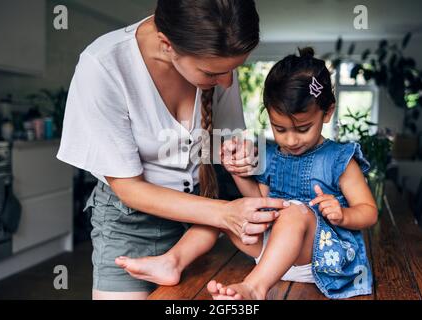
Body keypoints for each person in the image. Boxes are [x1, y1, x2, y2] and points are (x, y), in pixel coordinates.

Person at [57, 0, 288, 300]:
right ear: (167, 44)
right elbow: (129, 188)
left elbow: (224, 143)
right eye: (212, 74)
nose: (227, 82)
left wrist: (239, 155)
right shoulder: (103, 66)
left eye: (232, 70)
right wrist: (223, 213)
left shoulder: (218, 64)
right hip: (131, 221)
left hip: (201, 220)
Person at [116, 47, 378, 300]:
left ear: (328, 113)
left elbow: (368, 211)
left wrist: (343, 215)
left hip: (318, 256)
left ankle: (254, 287)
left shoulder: (339, 159)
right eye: (280, 129)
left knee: (296, 214)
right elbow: (259, 199)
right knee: (218, 212)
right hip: (270, 252)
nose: (291, 139)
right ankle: (172, 262)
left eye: (303, 129)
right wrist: (238, 173)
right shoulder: (273, 153)